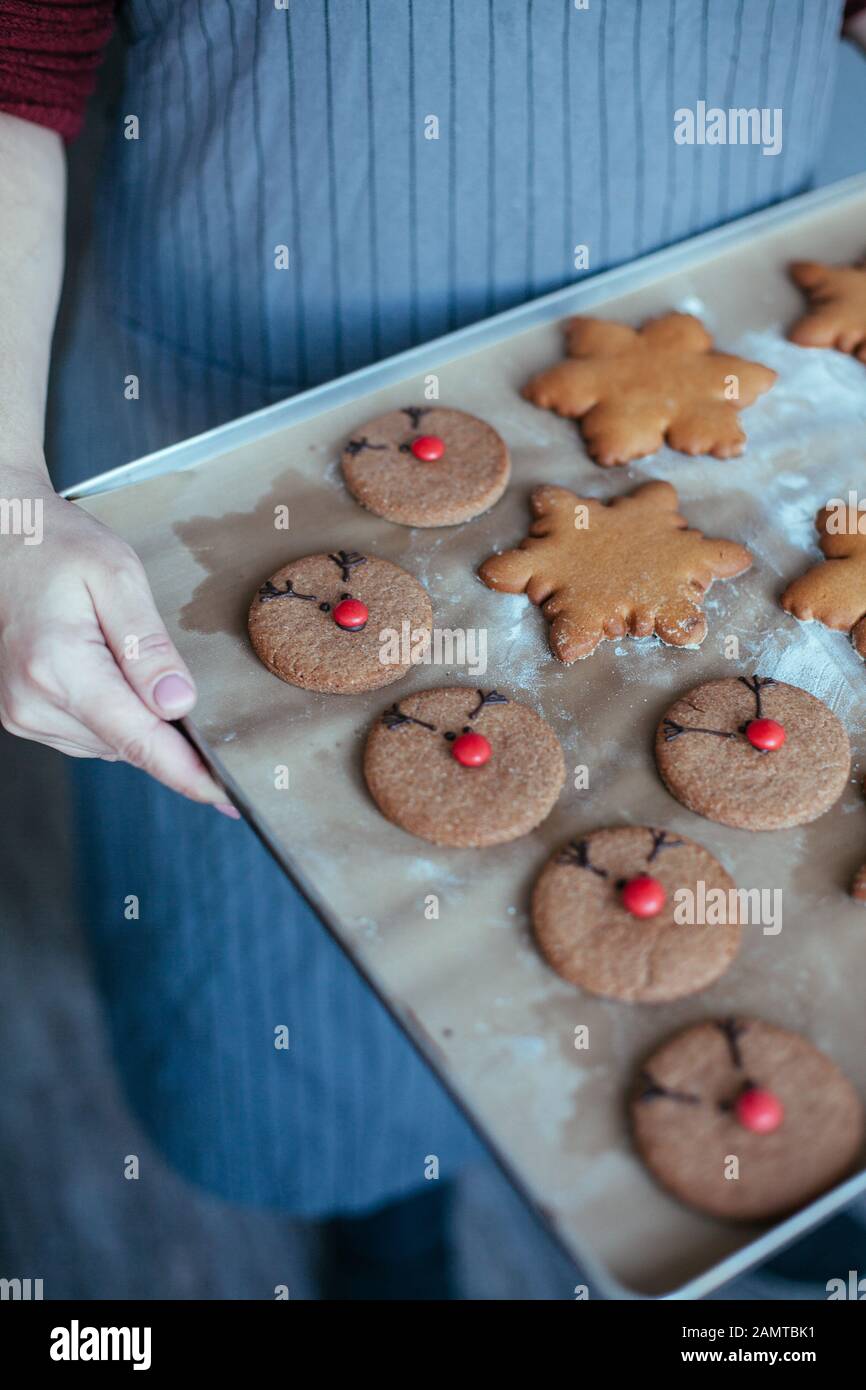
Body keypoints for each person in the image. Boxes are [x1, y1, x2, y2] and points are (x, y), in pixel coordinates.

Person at [1, 0, 864, 1300]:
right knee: (286, 946)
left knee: (753, 931)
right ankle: (379, 1224)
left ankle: (768, 1170)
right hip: (239, 438)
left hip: (728, 354)